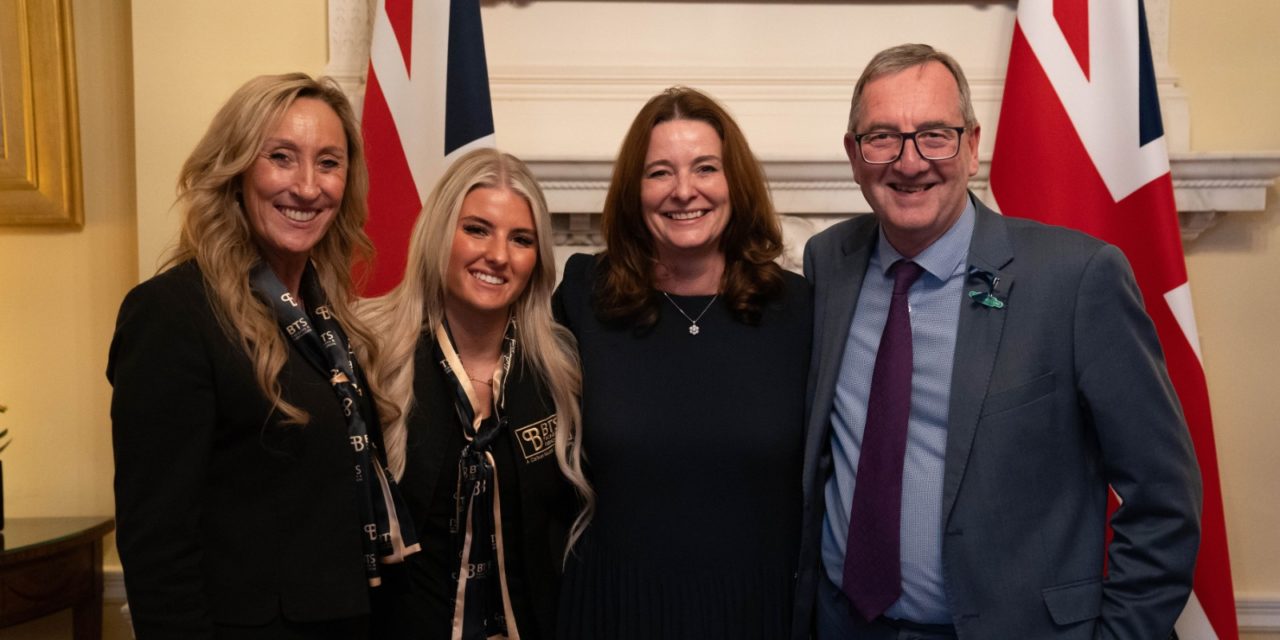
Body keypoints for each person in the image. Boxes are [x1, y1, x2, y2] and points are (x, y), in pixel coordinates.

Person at [794, 43, 1203, 639]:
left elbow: (1165, 498)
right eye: (882, 137)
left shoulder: (1075, 280)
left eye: (935, 134)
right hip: (842, 624)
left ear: (973, 144)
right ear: (853, 155)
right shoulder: (827, 262)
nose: (909, 163)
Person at [108, 73, 417, 638]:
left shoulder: (327, 318)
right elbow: (157, 544)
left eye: (328, 163)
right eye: (281, 157)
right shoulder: (172, 314)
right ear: (236, 170)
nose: (307, 186)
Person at [554, 86, 812, 639]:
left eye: (705, 168)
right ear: (633, 190)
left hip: (761, 615)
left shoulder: (799, 310)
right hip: (612, 612)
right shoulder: (584, 297)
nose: (684, 191)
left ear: (734, 183)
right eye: (659, 173)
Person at [361, 148, 590, 640]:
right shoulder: (369, 356)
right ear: (440, 233)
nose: (499, 256)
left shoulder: (561, 369)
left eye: (521, 239)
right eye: (477, 229)